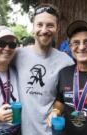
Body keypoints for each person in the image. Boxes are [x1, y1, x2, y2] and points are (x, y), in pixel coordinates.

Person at [14, 3, 74, 135]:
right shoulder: (17, 55)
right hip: (20, 131)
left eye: (50, 25)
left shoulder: (66, 62)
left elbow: (66, 96)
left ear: (57, 29)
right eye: (40, 25)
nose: (44, 30)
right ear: (33, 28)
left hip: (51, 131)